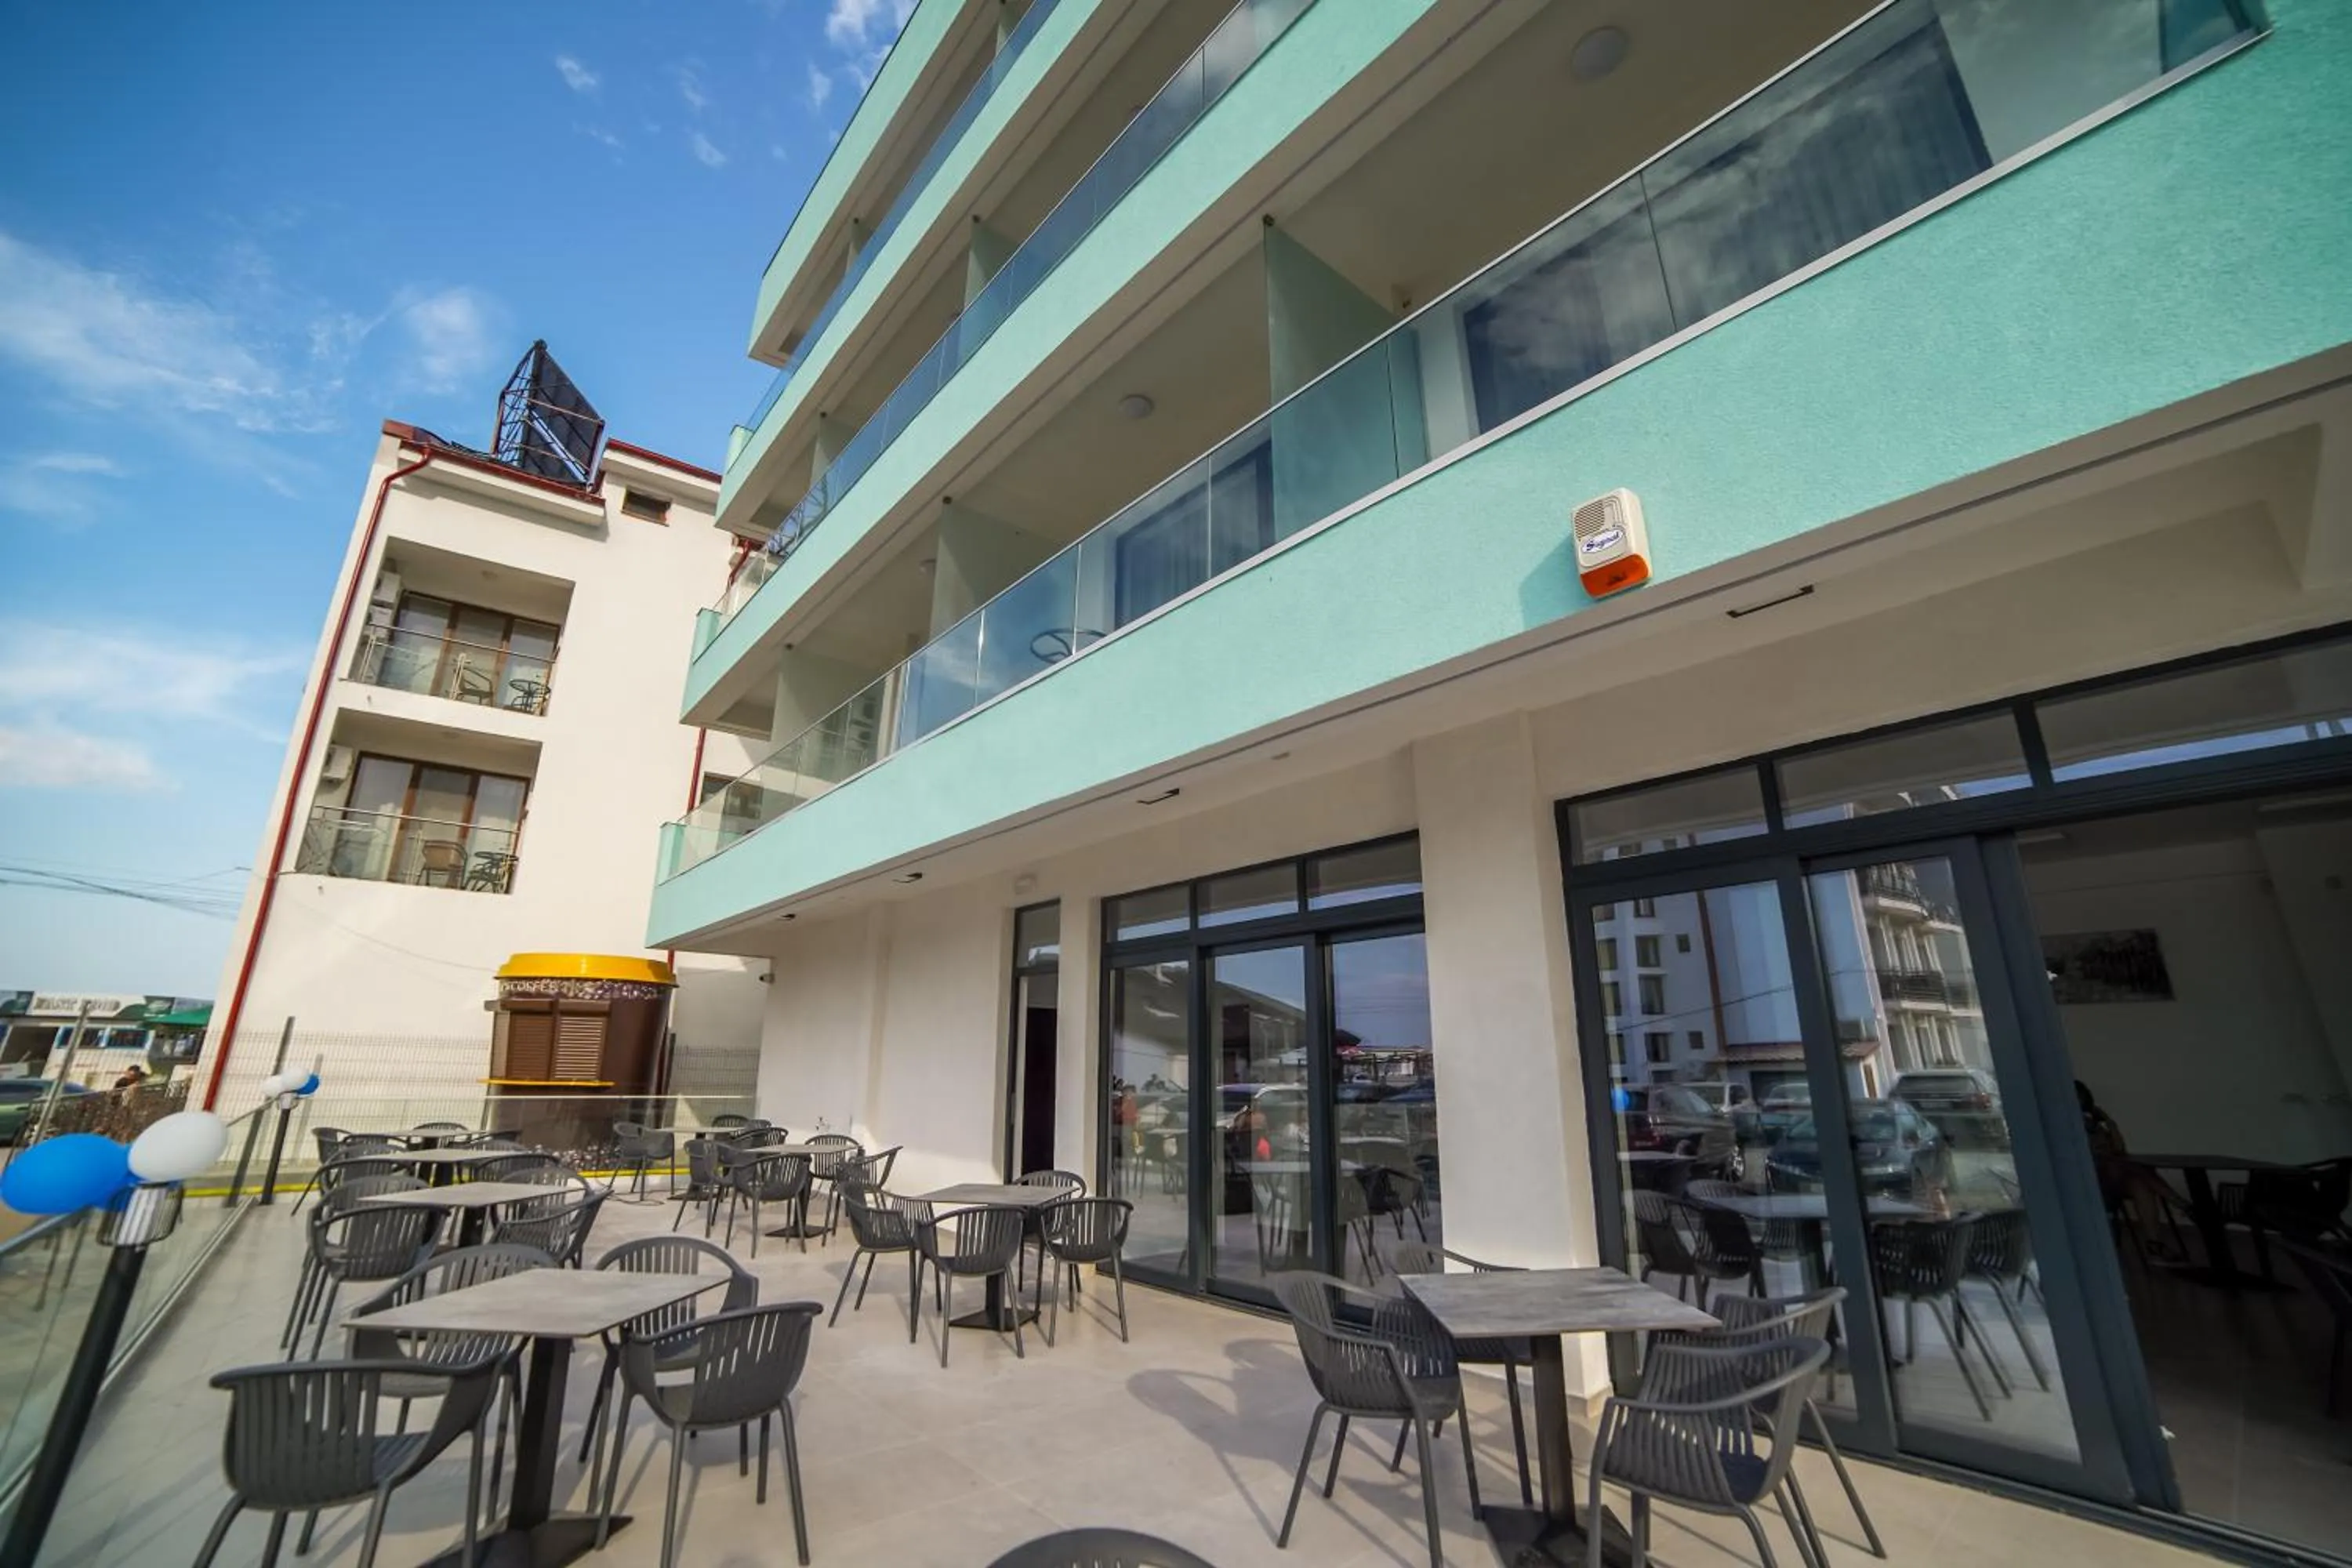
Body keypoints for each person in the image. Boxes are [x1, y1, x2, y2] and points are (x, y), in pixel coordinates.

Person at [2076, 1080, 2187, 1261]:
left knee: (2140, 1185)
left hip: (2113, 1176)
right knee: (2130, 1167)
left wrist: (2110, 1123)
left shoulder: (2095, 1126)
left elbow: (2120, 1149)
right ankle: (2179, 1202)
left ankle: (2154, 1245)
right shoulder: (2067, 1126)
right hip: (2090, 1179)